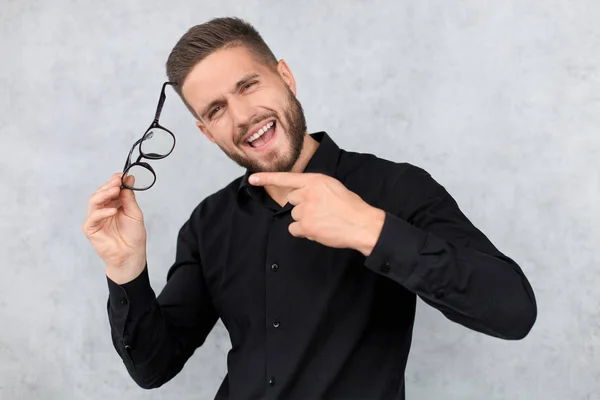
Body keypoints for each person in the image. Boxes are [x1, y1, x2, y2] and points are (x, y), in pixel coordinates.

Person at [82, 16, 537, 400]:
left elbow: (512, 310)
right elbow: (153, 367)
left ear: (286, 77)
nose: (242, 116)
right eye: (217, 110)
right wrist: (125, 269)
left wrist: (371, 229)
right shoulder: (208, 224)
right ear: (207, 133)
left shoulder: (394, 187)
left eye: (248, 85)